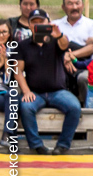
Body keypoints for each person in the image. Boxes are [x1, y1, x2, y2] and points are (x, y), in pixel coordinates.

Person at [14, 9, 81, 155]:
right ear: (29, 25)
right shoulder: (22, 45)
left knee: (74, 107)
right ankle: (36, 145)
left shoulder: (56, 40)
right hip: (35, 92)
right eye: (34, 22)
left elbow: (64, 45)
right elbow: (17, 71)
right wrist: (26, 91)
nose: (38, 25)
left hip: (58, 91)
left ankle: (63, 145)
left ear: (48, 23)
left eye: (41, 22)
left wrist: (59, 35)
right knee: (26, 107)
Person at [56, 0, 93, 104]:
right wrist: (65, 58)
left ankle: (90, 109)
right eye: (70, 4)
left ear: (83, 6)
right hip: (60, 64)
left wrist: (71, 56)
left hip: (84, 64)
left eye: (77, 3)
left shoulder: (92, 24)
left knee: (85, 78)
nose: (74, 7)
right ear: (63, 7)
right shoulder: (56, 25)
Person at [0, 19, 17, 146]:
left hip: (4, 93)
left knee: (13, 96)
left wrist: (6, 64)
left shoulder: (13, 52)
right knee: (14, 104)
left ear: (9, 34)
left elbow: (12, 81)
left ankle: (7, 134)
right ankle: (10, 135)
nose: (1, 35)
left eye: (4, 32)